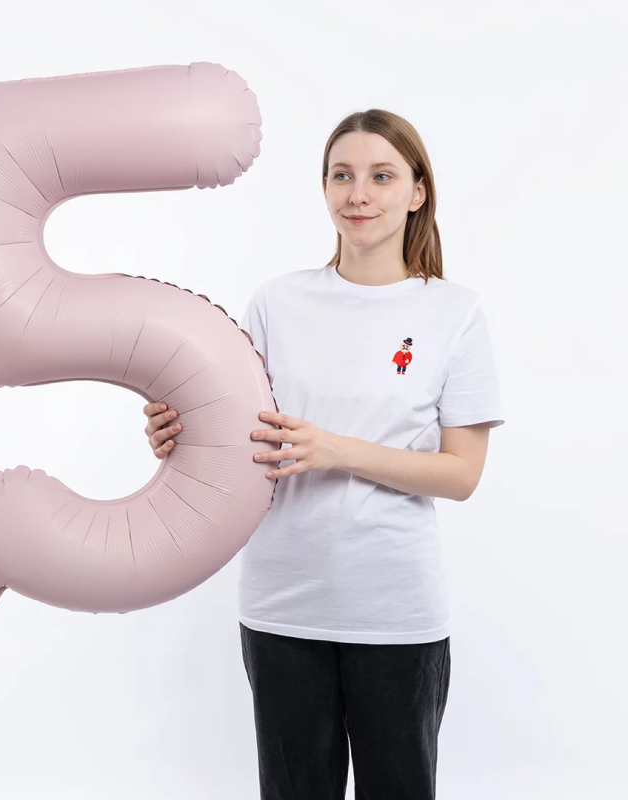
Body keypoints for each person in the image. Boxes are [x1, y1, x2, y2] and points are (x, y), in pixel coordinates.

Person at [143, 109, 505, 800]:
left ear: (418, 192)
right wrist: (178, 436)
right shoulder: (277, 302)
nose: (358, 194)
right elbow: (239, 436)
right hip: (282, 604)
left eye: (381, 176)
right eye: (342, 175)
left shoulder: (455, 313)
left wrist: (337, 449)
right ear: (324, 188)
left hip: (395, 612)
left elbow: (462, 474)